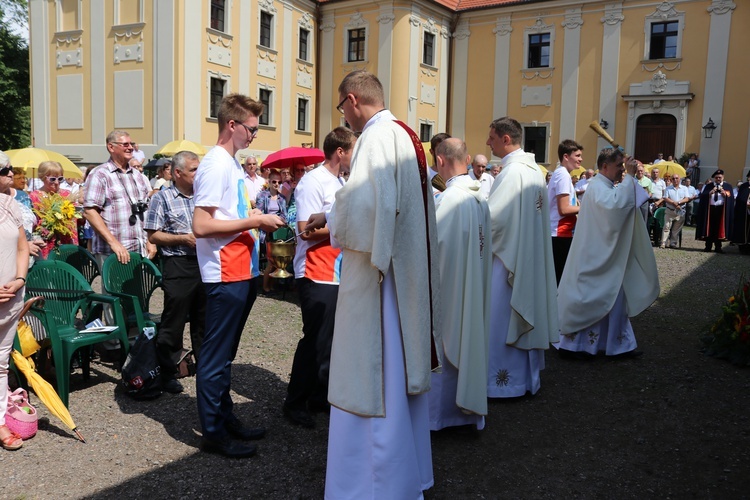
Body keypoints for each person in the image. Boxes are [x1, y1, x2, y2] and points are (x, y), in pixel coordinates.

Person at [306, 70, 439, 498]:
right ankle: (408, 472)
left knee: (374, 377)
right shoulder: (405, 134)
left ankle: (374, 483)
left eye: (341, 108)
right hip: (402, 272)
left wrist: (332, 215)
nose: (343, 117)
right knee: (398, 378)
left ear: (351, 100)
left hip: (378, 278)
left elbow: (364, 209)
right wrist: (333, 215)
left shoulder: (375, 139)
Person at [191, 93, 285, 458]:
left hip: (238, 271)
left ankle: (225, 418)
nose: (254, 136)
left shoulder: (229, 164)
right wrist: (256, 221)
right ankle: (213, 432)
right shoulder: (215, 164)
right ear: (232, 125)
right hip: (224, 274)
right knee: (215, 358)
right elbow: (201, 225)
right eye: (251, 128)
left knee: (225, 355)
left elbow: (224, 217)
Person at [283, 127, 356, 429]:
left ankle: (319, 395)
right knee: (315, 340)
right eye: (354, 150)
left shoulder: (340, 181)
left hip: (337, 271)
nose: (356, 157)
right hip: (316, 271)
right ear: (340, 151)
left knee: (330, 340)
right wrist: (344, 225)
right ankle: (295, 402)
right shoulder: (313, 181)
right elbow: (304, 229)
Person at [558, 148, 659, 358]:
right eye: (619, 166)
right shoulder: (596, 186)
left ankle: (618, 345)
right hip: (595, 254)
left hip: (606, 253)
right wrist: (630, 177)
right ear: (605, 166)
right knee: (595, 295)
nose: (622, 170)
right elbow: (615, 209)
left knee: (614, 295)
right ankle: (578, 346)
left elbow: (635, 200)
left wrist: (631, 178)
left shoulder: (605, 186)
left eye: (623, 166)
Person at [484, 117, 558, 399]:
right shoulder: (533, 170)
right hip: (526, 255)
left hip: (506, 260)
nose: (488, 143)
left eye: (492, 137)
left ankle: (503, 383)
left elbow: (494, 220)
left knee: (500, 317)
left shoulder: (513, 173)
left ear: (505, 139)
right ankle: (524, 379)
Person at [428, 137, 491, 431]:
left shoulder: (449, 200)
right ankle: (468, 411)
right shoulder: (478, 196)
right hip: (471, 285)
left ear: (440, 160)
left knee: (445, 343)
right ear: (466, 160)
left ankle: (439, 418)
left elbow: (431, 248)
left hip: (450, 290)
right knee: (467, 340)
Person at [144, 151, 206, 395]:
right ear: (178, 173)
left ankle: (205, 366)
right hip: (178, 263)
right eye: (193, 170)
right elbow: (153, 235)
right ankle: (168, 371)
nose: (198, 174)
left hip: (204, 262)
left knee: (204, 318)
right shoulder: (163, 198)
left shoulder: (203, 197)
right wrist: (182, 239)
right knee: (174, 320)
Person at [84, 130, 156, 265]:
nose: (130, 148)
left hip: (139, 250)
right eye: (125, 144)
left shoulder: (138, 175)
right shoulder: (100, 174)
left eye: (131, 144)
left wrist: (149, 241)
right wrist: (114, 243)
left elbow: (146, 210)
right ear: (111, 147)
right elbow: (90, 212)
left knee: (137, 287)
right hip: (112, 252)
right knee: (114, 287)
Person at [0, 190, 29, 451]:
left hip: (10, 299)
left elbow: (22, 247)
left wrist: (19, 279)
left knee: (1, 363)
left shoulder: (9, 205)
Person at [548, 140, 583, 285]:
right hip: (560, 233)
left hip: (562, 233)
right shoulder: (562, 175)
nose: (581, 159)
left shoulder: (562, 174)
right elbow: (563, 209)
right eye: (577, 155)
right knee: (560, 279)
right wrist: (585, 207)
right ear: (566, 156)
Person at [29, 161, 80, 258]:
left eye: (60, 179)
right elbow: (33, 223)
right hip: (46, 242)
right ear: (43, 178)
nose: (57, 182)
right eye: (52, 179)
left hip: (66, 240)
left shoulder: (67, 195)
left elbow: (75, 220)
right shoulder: (35, 196)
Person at [256, 169, 287, 295]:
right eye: (274, 181)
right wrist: (268, 221)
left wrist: (277, 222)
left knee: (276, 261)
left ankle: (271, 285)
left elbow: (284, 215)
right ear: (269, 182)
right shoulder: (262, 196)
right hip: (265, 232)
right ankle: (265, 287)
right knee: (270, 261)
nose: (276, 184)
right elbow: (259, 213)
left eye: (279, 182)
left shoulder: (282, 198)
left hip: (277, 231)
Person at [696, 169, 735, 253]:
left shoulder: (728, 186)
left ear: (723, 177)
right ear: (714, 178)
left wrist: (725, 195)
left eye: (720, 177)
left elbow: (731, 198)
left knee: (719, 228)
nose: (718, 179)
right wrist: (709, 193)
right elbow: (703, 196)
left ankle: (718, 247)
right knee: (709, 227)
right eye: (716, 177)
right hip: (711, 209)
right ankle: (708, 246)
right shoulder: (709, 186)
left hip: (721, 210)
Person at [660, 174, 690, 249]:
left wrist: (678, 203)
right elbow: (665, 198)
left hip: (680, 210)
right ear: (671, 180)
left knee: (676, 229)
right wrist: (673, 203)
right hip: (670, 210)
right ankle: (663, 243)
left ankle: (673, 243)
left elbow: (687, 198)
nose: (675, 180)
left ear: (679, 179)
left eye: (677, 178)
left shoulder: (684, 188)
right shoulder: (668, 188)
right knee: (666, 227)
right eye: (673, 178)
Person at [731, 172, 750, 254]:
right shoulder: (744, 186)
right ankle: (743, 246)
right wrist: (745, 202)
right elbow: (740, 199)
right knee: (743, 229)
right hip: (744, 211)